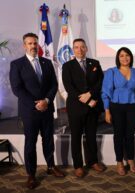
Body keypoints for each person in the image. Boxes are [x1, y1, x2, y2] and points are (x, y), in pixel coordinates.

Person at [9, 33, 64, 189]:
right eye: (30, 43)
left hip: (46, 109)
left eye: (35, 43)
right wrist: (36, 104)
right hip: (29, 111)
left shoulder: (47, 63)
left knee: (48, 140)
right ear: (24, 46)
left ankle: (51, 166)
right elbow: (17, 89)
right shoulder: (17, 64)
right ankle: (31, 174)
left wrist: (46, 101)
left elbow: (54, 84)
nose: (33, 46)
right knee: (30, 143)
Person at [62, 38, 104, 178]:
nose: (79, 50)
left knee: (91, 135)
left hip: (92, 107)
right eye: (76, 47)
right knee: (76, 137)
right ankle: (78, 165)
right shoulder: (67, 66)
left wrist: (91, 95)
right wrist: (86, 99)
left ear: (86, 48)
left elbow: (100, 82)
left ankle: (93, 162)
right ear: (73, 49)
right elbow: (69, 87)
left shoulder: (95, 63)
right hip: (76, 107)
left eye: (82, 47)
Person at [102, 47, 135, 176]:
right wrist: (107, 111)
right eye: (121, 55)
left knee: (130, 135)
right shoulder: (111, 72)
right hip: (116, 107)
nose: (125, 58)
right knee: (119, 135)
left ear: (131, 57)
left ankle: (131, 159)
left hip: (132, 106)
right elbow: (105, 92)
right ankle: (119, 161)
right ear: (118, 58)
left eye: (127, 55)